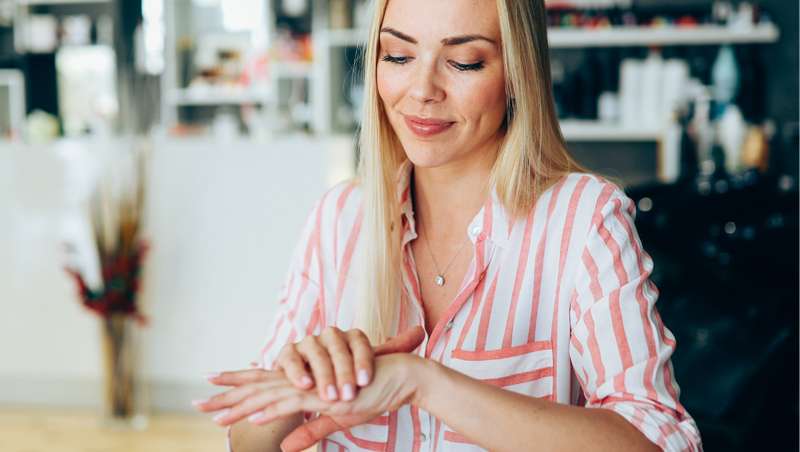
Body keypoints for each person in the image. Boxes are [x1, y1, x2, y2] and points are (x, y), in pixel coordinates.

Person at [194, 0, 703, 450]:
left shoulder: (584, 219)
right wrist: (290, 386)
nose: (421, 90)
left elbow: (663, 442)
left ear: (516, 74)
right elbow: (250, 443)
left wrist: (425, 383)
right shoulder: (340, 219)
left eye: (464, 61)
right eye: (398, 55)